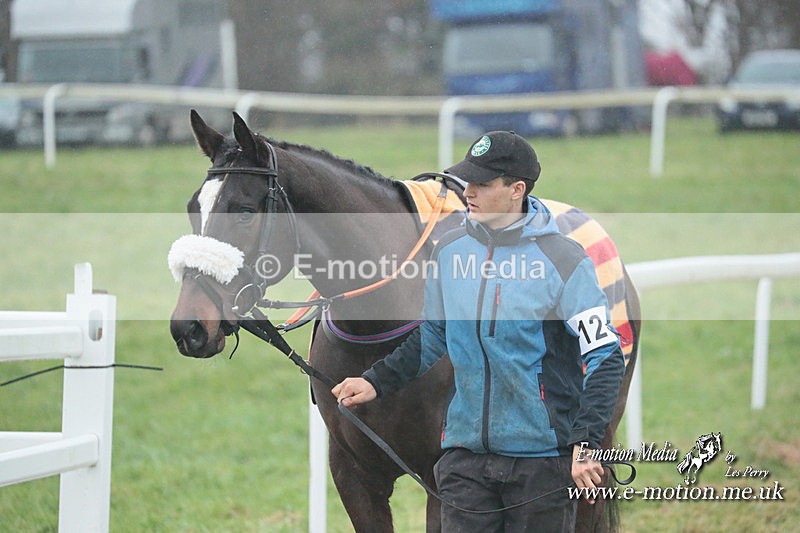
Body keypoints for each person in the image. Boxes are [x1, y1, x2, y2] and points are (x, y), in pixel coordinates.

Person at [332, 131, 625, 532]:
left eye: (483, 184)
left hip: (541, 463)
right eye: (467, 180)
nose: (468, 192)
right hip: (464, 460)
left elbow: (606, 355)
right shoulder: (450, 251)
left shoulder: (564, 260)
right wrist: (375, 382)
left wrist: (587, 442)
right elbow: (434, 334)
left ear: (516, 190)